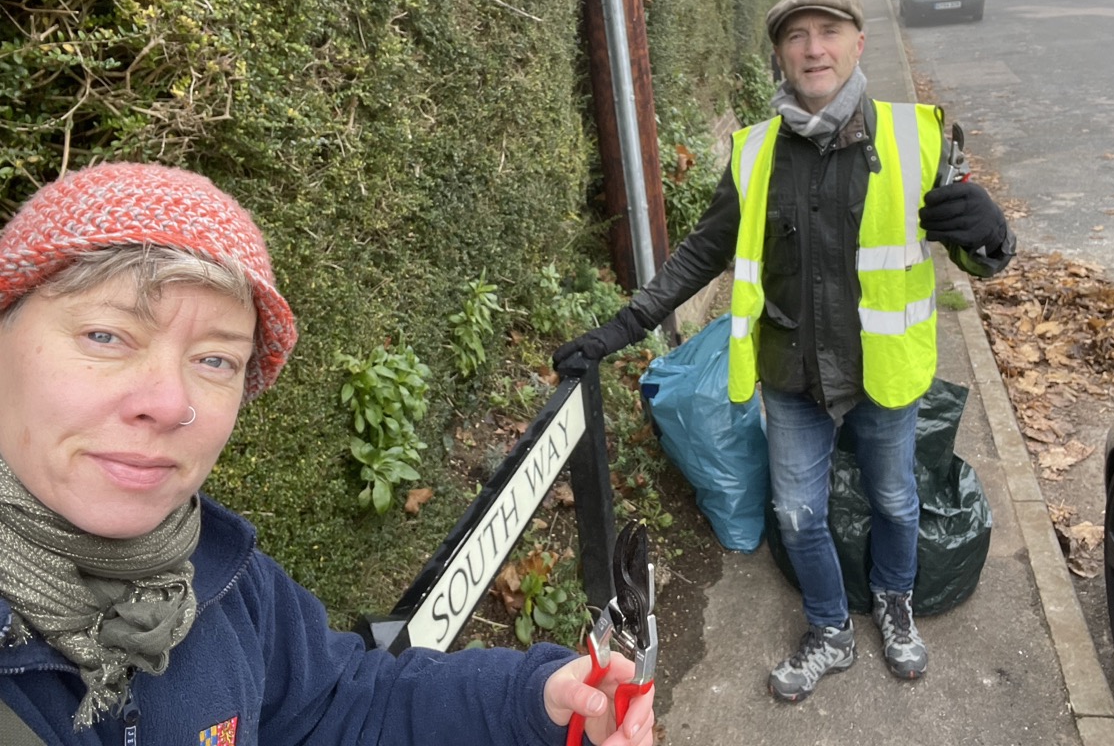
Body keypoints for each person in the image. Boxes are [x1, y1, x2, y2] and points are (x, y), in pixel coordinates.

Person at [0, 162, 656, 745]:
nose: (171, 402)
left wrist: (534, 704)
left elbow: (334, 706)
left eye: (214, 359)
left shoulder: (221, 579)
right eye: (106, 334)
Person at [554, 0, 1014, 703]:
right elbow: (699, 255)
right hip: (792, 374)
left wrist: (992, 235)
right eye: (796, 36)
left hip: (883, 371)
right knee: (798, 513)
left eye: (828, 31)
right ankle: (830, 630)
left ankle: (895, 605)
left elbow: (976, 249)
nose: (813, 47)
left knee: (895, 500)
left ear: (858, 43)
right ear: (780, 56)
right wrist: (622, 327)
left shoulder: (913, 135)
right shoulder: (755, 153)